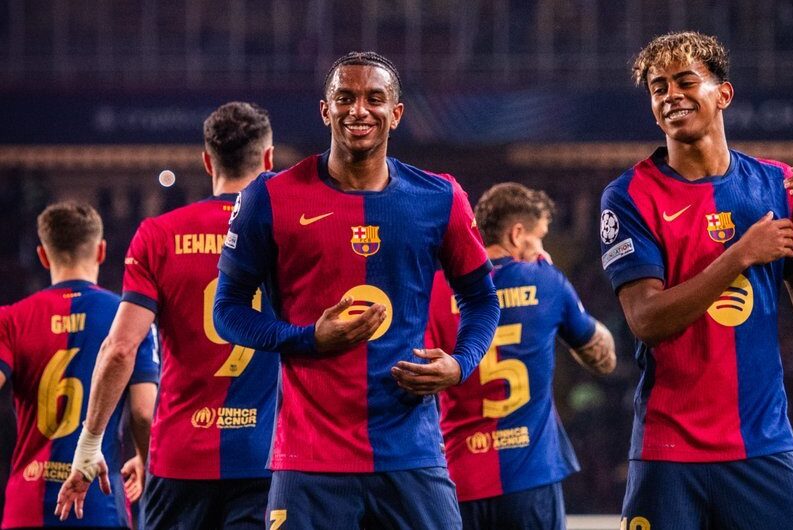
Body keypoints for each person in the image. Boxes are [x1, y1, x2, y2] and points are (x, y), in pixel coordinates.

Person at [213, 51, 500, 530]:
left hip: (410, 451)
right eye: (344, 98)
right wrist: (307, 338)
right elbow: (227, 310)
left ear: (396, 113)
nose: (359, 110)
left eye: (374, 98)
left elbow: (482, 299)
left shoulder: (440, 197)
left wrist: (460, 363)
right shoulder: (270, 197)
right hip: (309, 455)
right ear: (325, 110)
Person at [599, 32, 793, 529]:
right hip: (668, 448)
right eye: (659, 88)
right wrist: (740, 255)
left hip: (762, 443)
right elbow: (646, 320)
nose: (671, 95)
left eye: (686, 81)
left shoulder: (776, 185)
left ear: (723, 94)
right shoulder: (629, 196)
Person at [57, 102, 279, 529]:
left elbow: (121, 349)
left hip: (178, 461)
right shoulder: (286, 236)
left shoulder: (158, 235)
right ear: (268, 160)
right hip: (264, 458)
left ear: (207, 161)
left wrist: (90, 443)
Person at [426, 182, 617, 530]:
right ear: (516, 234)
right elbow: (604, 360)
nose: (542, 249)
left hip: (459, 479)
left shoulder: (438, 289)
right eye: (539, 237)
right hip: (531, 477)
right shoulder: (546, 281)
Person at [1, 201, 158, 528]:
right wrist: (145, 460)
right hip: (100, 503)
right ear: (101, 251)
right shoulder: (128, 320)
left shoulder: (11, 319)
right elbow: (144, 412)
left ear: (43, 256)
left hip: (26, 506)